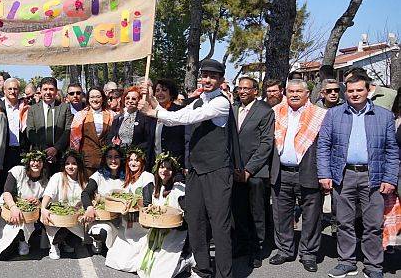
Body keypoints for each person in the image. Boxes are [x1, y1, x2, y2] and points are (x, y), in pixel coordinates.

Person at [139, 59, 237, 278]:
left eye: (213, 76)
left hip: (217, 170)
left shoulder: (220, 103)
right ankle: (202, 267)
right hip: (195, 170)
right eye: (205, 75)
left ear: (221, 80)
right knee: (195, 219)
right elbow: (175, 118)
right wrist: (151, 97)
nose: (208, 80)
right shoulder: (199, 99)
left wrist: (153, 112)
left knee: (219, 224)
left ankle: (224, 274)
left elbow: (187, 117)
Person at [318, 73, 399, 278]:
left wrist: (390, 178)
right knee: (344, 222)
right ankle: (346, 261)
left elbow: (392, 150)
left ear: (368, 90)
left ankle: (373, 265)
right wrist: (324, 174)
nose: (354, 94)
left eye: (359, 90)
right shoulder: (334, 114)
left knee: (373, 224)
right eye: (351, 90)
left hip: (373, 177)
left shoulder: (384, 115)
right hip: (343, 175)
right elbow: (324, 146)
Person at [268, 79, 326, 273]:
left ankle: (308, 253)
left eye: (298, 91)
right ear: (285, 92)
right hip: (282, 172)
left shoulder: (319, 115)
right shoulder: (276, 112)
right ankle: (284, 249)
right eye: (291, 91)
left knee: (311, 216)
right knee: (281, 214)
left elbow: (326, 146)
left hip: (309, 171)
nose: (294, 94)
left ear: (307, 94)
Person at [230, 76, 275, 268]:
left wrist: (249, 170)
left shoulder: (265, 111)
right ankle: (241, 245)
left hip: (255, 173)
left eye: (247, 89)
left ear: (255, 91)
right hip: (234, 170)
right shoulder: (232, 109)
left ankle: (256, 250)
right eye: (240, 88)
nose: (242, 92)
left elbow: (266, 144)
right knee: (237, 211)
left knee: (256, 213)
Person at [137, 153, 192, 278]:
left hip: (174, 234)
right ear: (157, 169)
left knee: (159, 275)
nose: (165, 171)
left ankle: (185, 260)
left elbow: (189, 215)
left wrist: (177, 223)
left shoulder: (179, 189)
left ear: (174, 171)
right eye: (162, 167)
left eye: (169, 168)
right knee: (142, 270)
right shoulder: (155, 188)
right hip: (156, 232)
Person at [105, 148, 154, 273]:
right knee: (114, 260)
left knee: (130, 265)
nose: (133, 163)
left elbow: (147, 202)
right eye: (131, 160)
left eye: (137, 160)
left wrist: (135, 205)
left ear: (142, 162)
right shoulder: (129, 180)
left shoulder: (147, 176)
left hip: (141, 227)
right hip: (127, 224)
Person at [0, 150, 49, 259]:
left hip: (27, 214)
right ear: (28, 161)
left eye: (39, 161)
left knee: (23, 224)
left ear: (43, 164)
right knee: (4, 253)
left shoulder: (45, 181)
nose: (36, 163)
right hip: (8, 207)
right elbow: (7, 192)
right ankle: (10, 241)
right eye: (33, 160)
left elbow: (43, 202)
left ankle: (23, 240)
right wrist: (13, 207)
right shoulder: (17, 171)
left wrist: (38, 202)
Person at [40, 150, 87, 259]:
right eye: (67, 163)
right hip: (56, 218)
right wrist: (43, 208)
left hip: (74, 219)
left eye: (74, 163)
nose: (70, 166)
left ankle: (65, 241)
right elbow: (48, 194)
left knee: (73, 245)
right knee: (60, 230)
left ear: (79, 165)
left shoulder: (84, 181)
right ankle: (54, 244)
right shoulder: (58, 177)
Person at [81, 145, 125, 254]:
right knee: (101, 232)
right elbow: (85, 193)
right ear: (105, 159)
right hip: (102, 217)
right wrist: (89, 208)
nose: (113, 160)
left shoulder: (126, 176)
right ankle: (98, 240)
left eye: (116, 157)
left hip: (121, 218)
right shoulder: (99, 175)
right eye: (110, 157)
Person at [25, 77, 74, 173]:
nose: (48, 92)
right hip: (39, 156)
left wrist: (55, 149)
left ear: (56, 91)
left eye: (51, 89)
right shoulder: (33, 109)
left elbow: (68, 129)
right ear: (40, 91)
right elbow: (30, 131)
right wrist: (44, 149)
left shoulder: (64, 107)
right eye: (45, 89)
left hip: (60, 155)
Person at [70, 87, 114, 177]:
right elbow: (74, 140)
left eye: (98, 96)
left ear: (103, 98)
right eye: (92, 97)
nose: (95, 100)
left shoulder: (111, 115)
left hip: (106, 160)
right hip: (87, 161)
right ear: (88, 99)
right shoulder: (80, 115)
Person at [151, 78, 192, 170]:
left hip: (176, 165)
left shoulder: (179, 111)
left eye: (164, 90)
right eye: (157, 91)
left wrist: (185, 165)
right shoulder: (150, 113)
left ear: (171, 93)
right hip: (156, 165)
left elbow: (186, 140)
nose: (160, 93)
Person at [107, 87, 154, 165]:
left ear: (139, 101)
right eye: (127, 98)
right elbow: (110, 137)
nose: (130, 101)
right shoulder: (118, 118)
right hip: (119, 159)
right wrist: (113, 143)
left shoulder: (145, 118)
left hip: (136, 160)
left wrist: (133, 151)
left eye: (134, 99)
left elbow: (148, 140)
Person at [1, 78, 29, 191]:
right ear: (4, 90)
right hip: (4, 151)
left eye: (15, 89)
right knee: (3, 181)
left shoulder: (26, 107)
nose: (12, 91)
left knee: (20, 181)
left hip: (21, 151)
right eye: (10, 89)